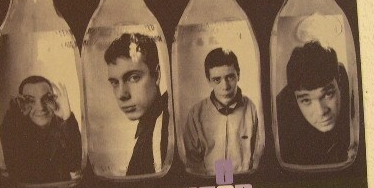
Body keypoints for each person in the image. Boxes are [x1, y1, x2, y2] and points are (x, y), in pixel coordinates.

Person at [183, 48, 259, 176]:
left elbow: (258, 155)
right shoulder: (196, 114)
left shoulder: (252, 109)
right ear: (208, 80)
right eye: (217, 80)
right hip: (208, 182)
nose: (225, 86)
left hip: (244, 180)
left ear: (238, 74)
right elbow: (192, 161)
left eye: (230, 77)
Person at [276, 41, 351, 165]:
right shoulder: (284, 122)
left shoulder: (350, 88)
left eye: (328, 94)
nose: (321, 111)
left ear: (339, 85)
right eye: (306, 100)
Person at [104, 33, 169, 176]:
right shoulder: (151, 125)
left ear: (156, 75)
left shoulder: (165, 125)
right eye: (115, 82)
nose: (122, 94)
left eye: (133, 78)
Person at [0, 75, 82, 186]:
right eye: (30, 100)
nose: (41, 107)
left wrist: (67, 116)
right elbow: (15, 171)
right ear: (21, 103)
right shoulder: (15, 133)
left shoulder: (67, 128)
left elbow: (75, 166)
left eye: (46, 98)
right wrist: (13, 115)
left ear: (54, 99)